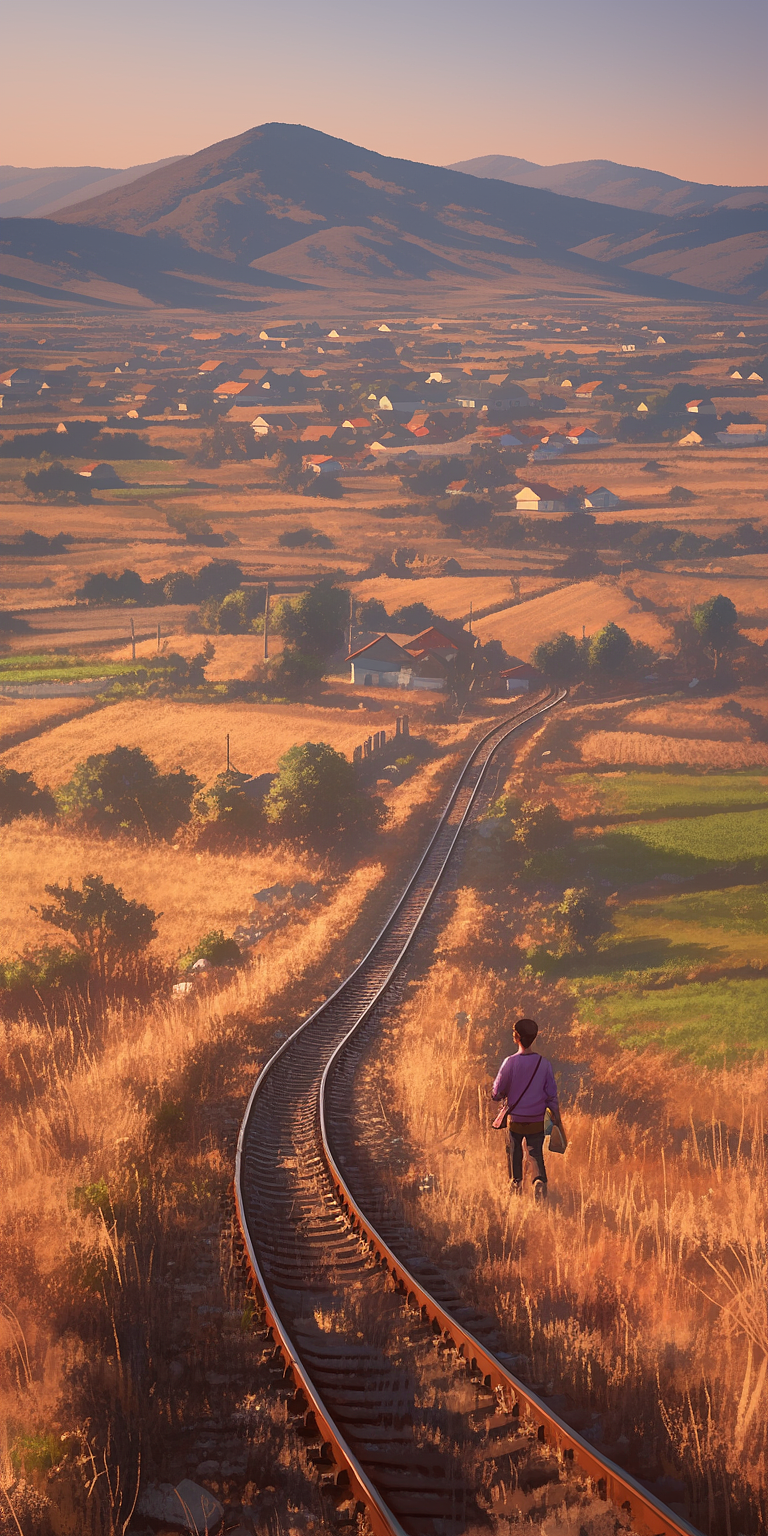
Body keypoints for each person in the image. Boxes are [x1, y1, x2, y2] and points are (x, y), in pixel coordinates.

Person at [491, 1017, 566, 1201]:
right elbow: (551, 1095)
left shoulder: (509, 1062)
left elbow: (496, 1093)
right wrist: (555, 1117)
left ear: (516, 1037)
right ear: (534, 1037)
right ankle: (539, 1180)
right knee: (534, 1152)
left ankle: (516, 1183)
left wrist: (504, 1094)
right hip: (536, 1119)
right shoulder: (544, 1064)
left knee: (515, 1151)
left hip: (515, 1119)